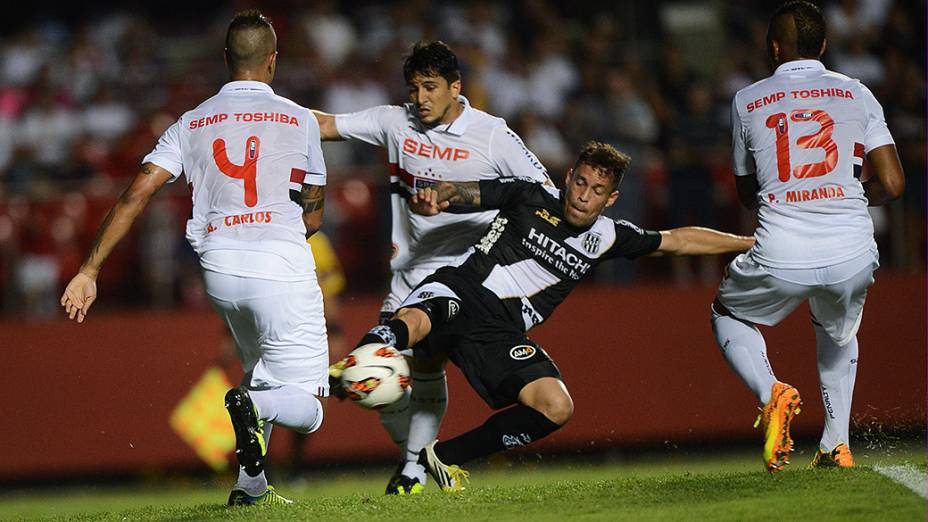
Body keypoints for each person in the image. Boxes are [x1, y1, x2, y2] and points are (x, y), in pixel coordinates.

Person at [335, 141, 754, 492]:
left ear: (611, 199)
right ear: (569, 176)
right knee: (426, 314)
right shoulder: (530, 195)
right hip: (462, 290)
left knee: (555, 407)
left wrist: (749, 241)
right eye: (580, 182)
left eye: (596, 190)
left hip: (499, 332)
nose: (583, 195)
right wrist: (438, 195)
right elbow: (466, 192)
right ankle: (360, 361)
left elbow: (678, 241)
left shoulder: (607, 237)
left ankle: (442, 458)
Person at [59, 10, 331, 505]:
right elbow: (312, 217)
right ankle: (251, 406)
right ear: (273, 61)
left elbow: (135, 196)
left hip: (220, 268)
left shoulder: (190, 122)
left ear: (226, 59)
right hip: (281, 261)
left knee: (258, 371)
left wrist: (88, 270)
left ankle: (250, 486)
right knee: (309, 404)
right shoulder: (299, 119)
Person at [313, 40, 553, 494]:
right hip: (409, 277)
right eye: (414, 87)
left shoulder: (492, 134)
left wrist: (466, 197)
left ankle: (413, 470)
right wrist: (263, 112)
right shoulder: (393, 121)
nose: (420, 97)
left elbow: (542, 195)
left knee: (415, 367)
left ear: (455, 87)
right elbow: (324, 124)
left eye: (430, 87)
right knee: (379, 380)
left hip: (471, 283)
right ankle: (419, 461)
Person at [710, 0, 904, 474]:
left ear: (775, 47)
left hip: (783, 248)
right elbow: (894, 183)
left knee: (727, 312)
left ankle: (771, 391)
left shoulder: (747, 99)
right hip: (853, 249)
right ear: (824, 45)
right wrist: (850, 197)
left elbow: (746, 193)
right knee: (837, 330)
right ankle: (836, 445)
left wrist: (791, 192)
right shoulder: (858, 93)